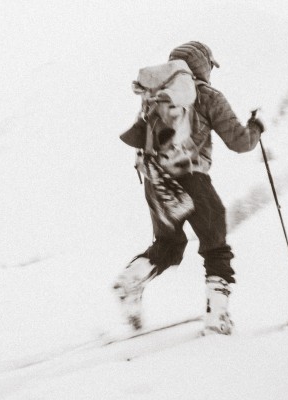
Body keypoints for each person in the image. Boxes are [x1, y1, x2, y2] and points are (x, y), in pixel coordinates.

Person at [113, 41, 265, 335]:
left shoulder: (153, 99)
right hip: (193, 180)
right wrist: (256, 127)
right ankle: (217, 316)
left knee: (168, 246)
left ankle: (132, 279)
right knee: (215, 244)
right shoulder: (207, 96)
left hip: (157, 182)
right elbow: (239, 142)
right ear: (203, 65)